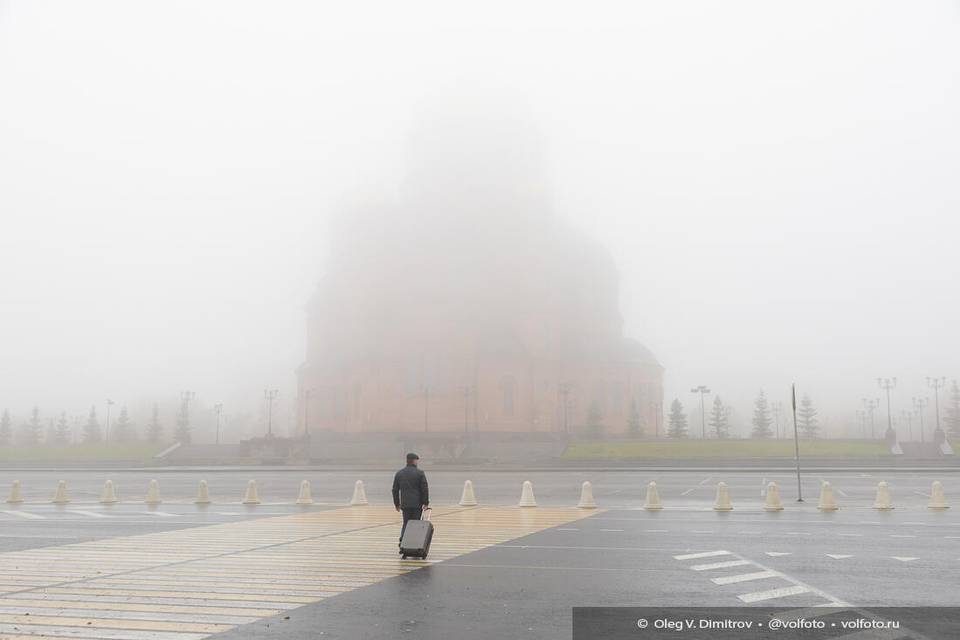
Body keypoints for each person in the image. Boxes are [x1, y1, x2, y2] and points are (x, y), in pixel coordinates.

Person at [392, 452, 430, 549]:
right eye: (417, 460)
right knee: (416, 524)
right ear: (414, 461)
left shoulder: (399, 473)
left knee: (406, 523)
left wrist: (397, 504)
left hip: (405, 504)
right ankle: (414, 544)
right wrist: (425, 502)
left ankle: (402, 541)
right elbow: (424, 488)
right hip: (417, 504)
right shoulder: (420, 473)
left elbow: (395, 490)